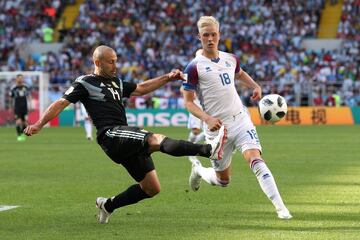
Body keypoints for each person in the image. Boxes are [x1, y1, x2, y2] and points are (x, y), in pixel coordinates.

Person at [24, 45, 227, 224]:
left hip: (123, 137)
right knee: (156, 139)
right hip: (110, 135)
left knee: (151, 188)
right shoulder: (85, 82)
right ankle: (208, 150)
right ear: (98, 62)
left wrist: (167, 78)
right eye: (111, 62)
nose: (115, 65)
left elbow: (140, 89)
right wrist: (39, 124)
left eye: (116, 61)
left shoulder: (116, 82)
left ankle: (108, 205)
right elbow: (61, 103)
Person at [182, 16, 292, 219]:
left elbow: (239, 73)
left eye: (213, 34)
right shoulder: (193, 67)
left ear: (219, 35)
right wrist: (207, 119)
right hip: (217, 129)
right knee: (223, 181)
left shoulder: (230, 58)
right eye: (205, 35)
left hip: (241, 120)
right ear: (199, 37)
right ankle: (198, 170)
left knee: (256, 159)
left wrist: (255, 86)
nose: (210, 39)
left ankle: (281, 208)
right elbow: (188, 102)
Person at [9, 74, 32, 141]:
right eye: (19, 78)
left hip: (24, 107)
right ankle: (19, 135)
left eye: (21, 78)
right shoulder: (13, 88)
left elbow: (29, 96)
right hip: (17, 107)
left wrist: (30, 105)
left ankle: (22, 134)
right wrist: (10, 107)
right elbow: (11, 98)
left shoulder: (26, 87)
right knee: (18, 122)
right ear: (16, 79)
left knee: (25, 122)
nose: (20, 79)